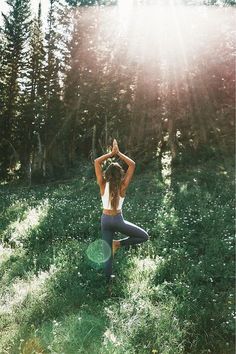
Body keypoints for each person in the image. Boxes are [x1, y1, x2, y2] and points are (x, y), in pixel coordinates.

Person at [94, 139, 149, 283]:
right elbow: (132, 164)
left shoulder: (102, 184)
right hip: (118, 220)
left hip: (105, 220)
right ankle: (118, 243)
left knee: (107, 255)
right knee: (144, 236)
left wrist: (110, 154)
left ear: (107, 173)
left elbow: (96, 162)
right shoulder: (123, 186)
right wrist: (118, 153)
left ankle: (108, 283)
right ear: (120, 174)